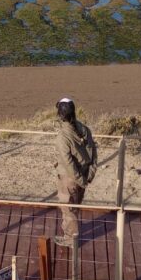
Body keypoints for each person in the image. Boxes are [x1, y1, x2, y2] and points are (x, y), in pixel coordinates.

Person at [53, 97, 97, 247]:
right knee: (75, 206)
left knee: (68, 209)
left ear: (60, 115)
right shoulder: (85, 130)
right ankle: (71, 233)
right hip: (84, 175)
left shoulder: (62, 137)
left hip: (70, 179)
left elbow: (69, 164)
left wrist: (80, 180)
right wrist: (89, 175)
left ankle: (71, 239)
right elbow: (93, 154)